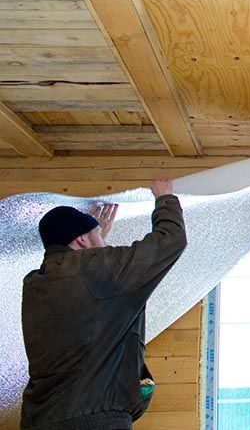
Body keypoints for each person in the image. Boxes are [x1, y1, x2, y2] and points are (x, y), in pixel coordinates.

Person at [20, 178, 187, 430]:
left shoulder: (34, 284)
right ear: (81, 241)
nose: (106, 244)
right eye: (99, 237)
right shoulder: (99, 271)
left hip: (40, 419)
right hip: (94, 420)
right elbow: (171, 241)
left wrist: (95, 237)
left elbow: (88, 290)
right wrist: (165, 198)